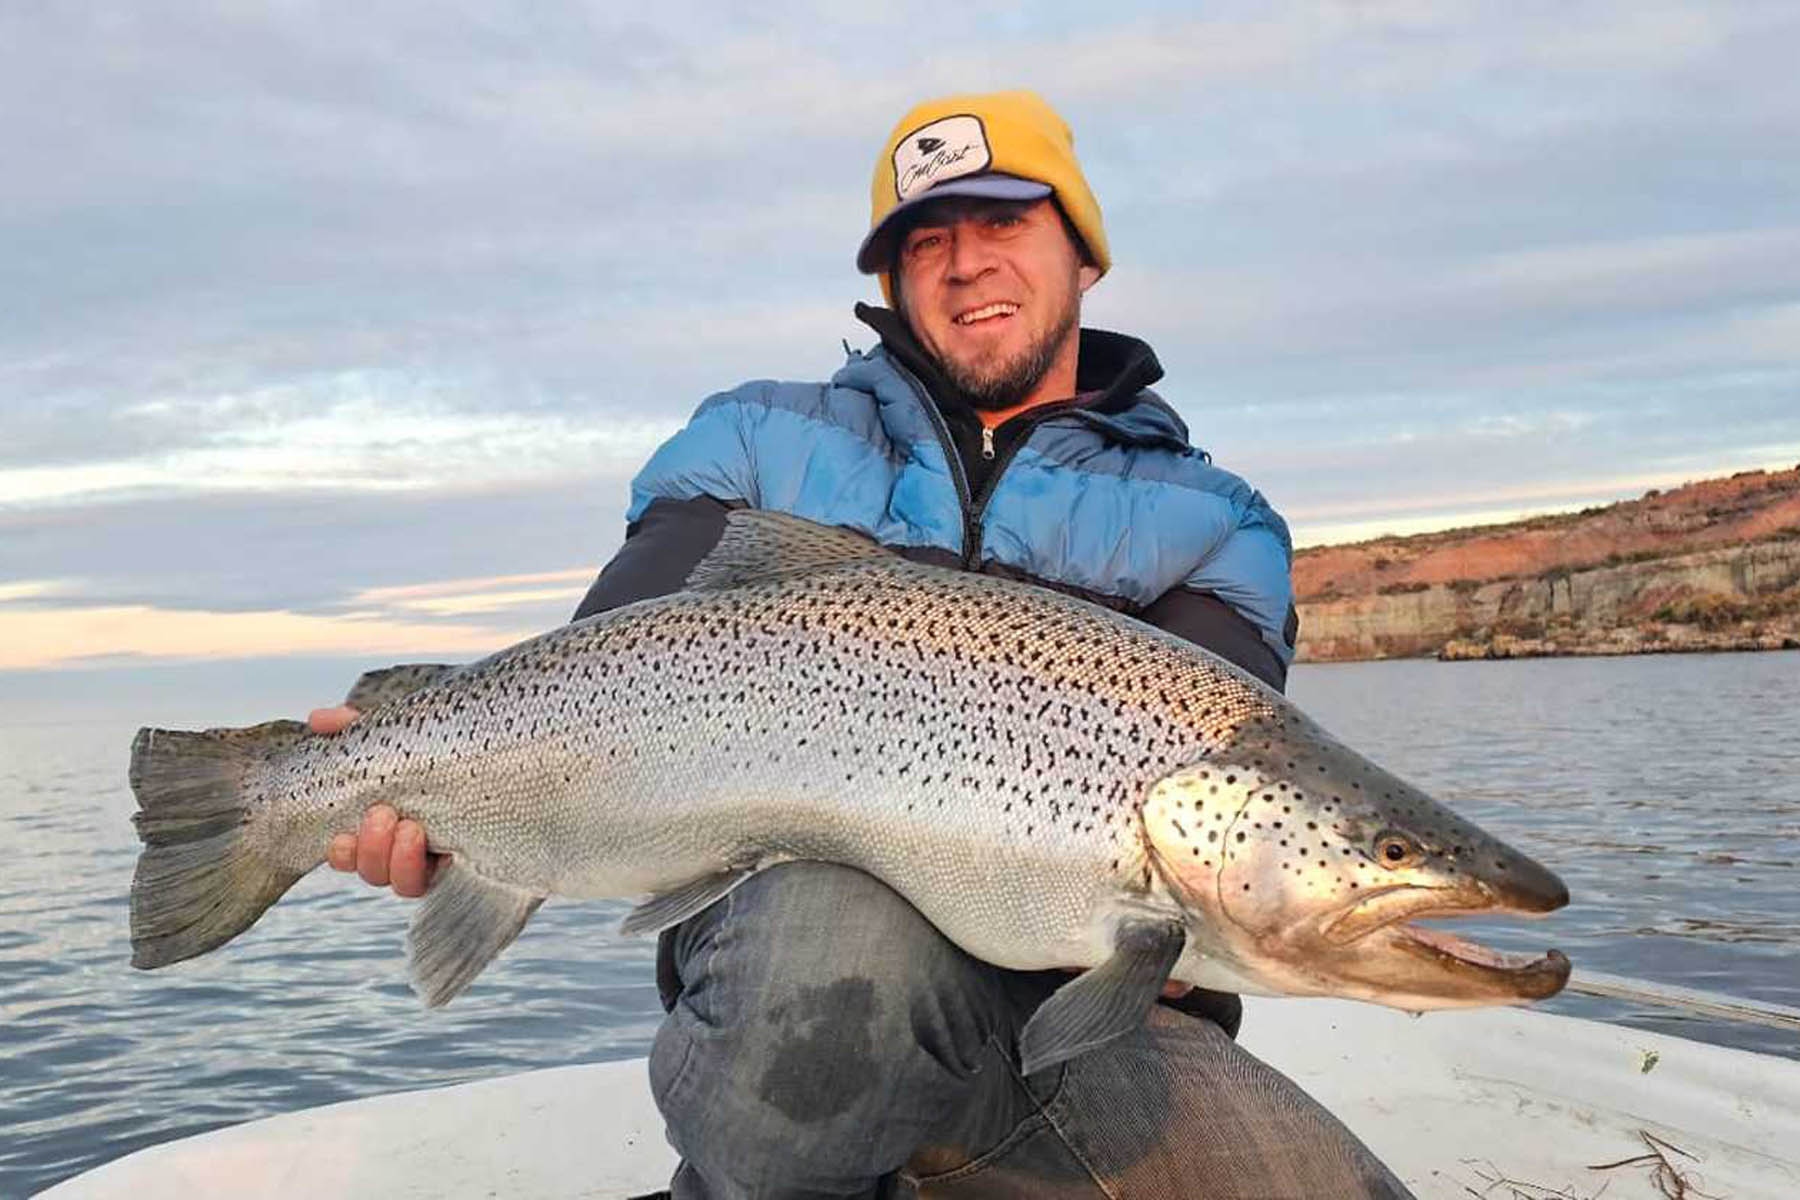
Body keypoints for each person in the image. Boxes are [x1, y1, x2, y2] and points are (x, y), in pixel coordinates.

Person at [315, 91, 1410, 1198]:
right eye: (925, 242)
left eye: (1005, 224)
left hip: (1088, 1024)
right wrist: (455, 791)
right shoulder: (753, 439)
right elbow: (615, 663)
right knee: (844, 947)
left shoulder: (1219, 523)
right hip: (787, 979)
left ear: (1084, 254)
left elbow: (1225, 763)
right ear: (893, 282)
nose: (965, 264)